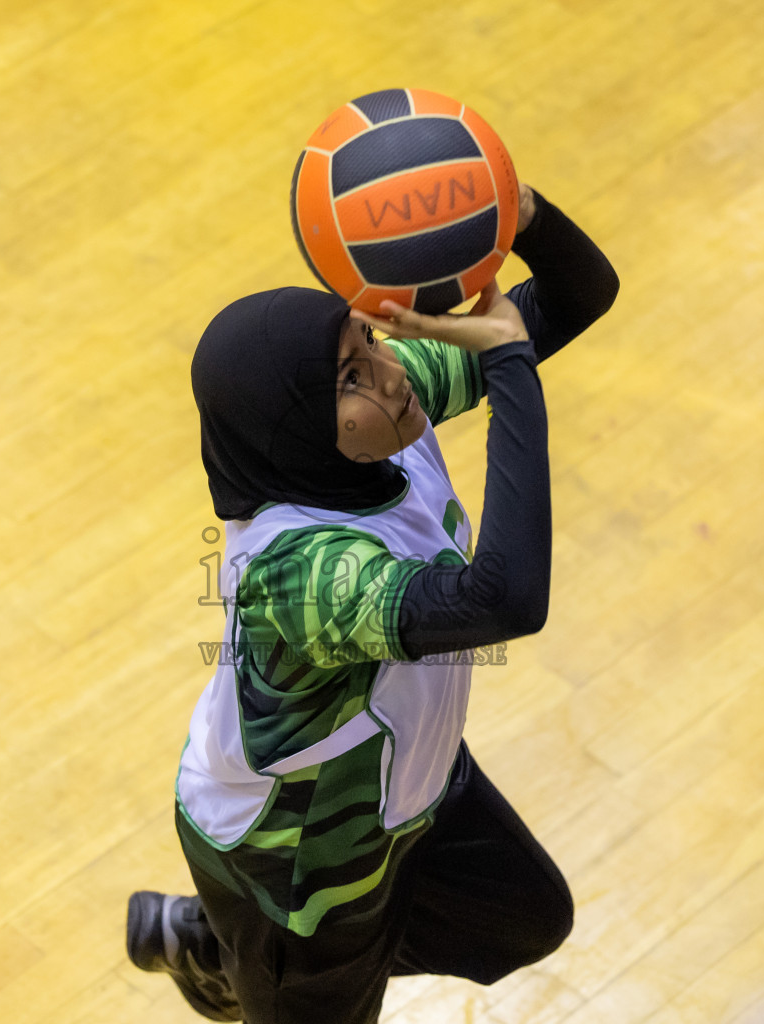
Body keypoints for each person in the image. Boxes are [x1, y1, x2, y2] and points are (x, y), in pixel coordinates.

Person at [128, 184, 618, 1024]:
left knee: (525, 919)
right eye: (353, 374)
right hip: (296, 862)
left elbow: (582, 295)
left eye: (370, 340)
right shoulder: (296, 572)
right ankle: (243, 953)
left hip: (402, 788)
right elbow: (503, 600)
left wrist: (517, 209)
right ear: (299, 431)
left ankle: (213, 949)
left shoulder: (388, 408)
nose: (392, 372)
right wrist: (507, 367)